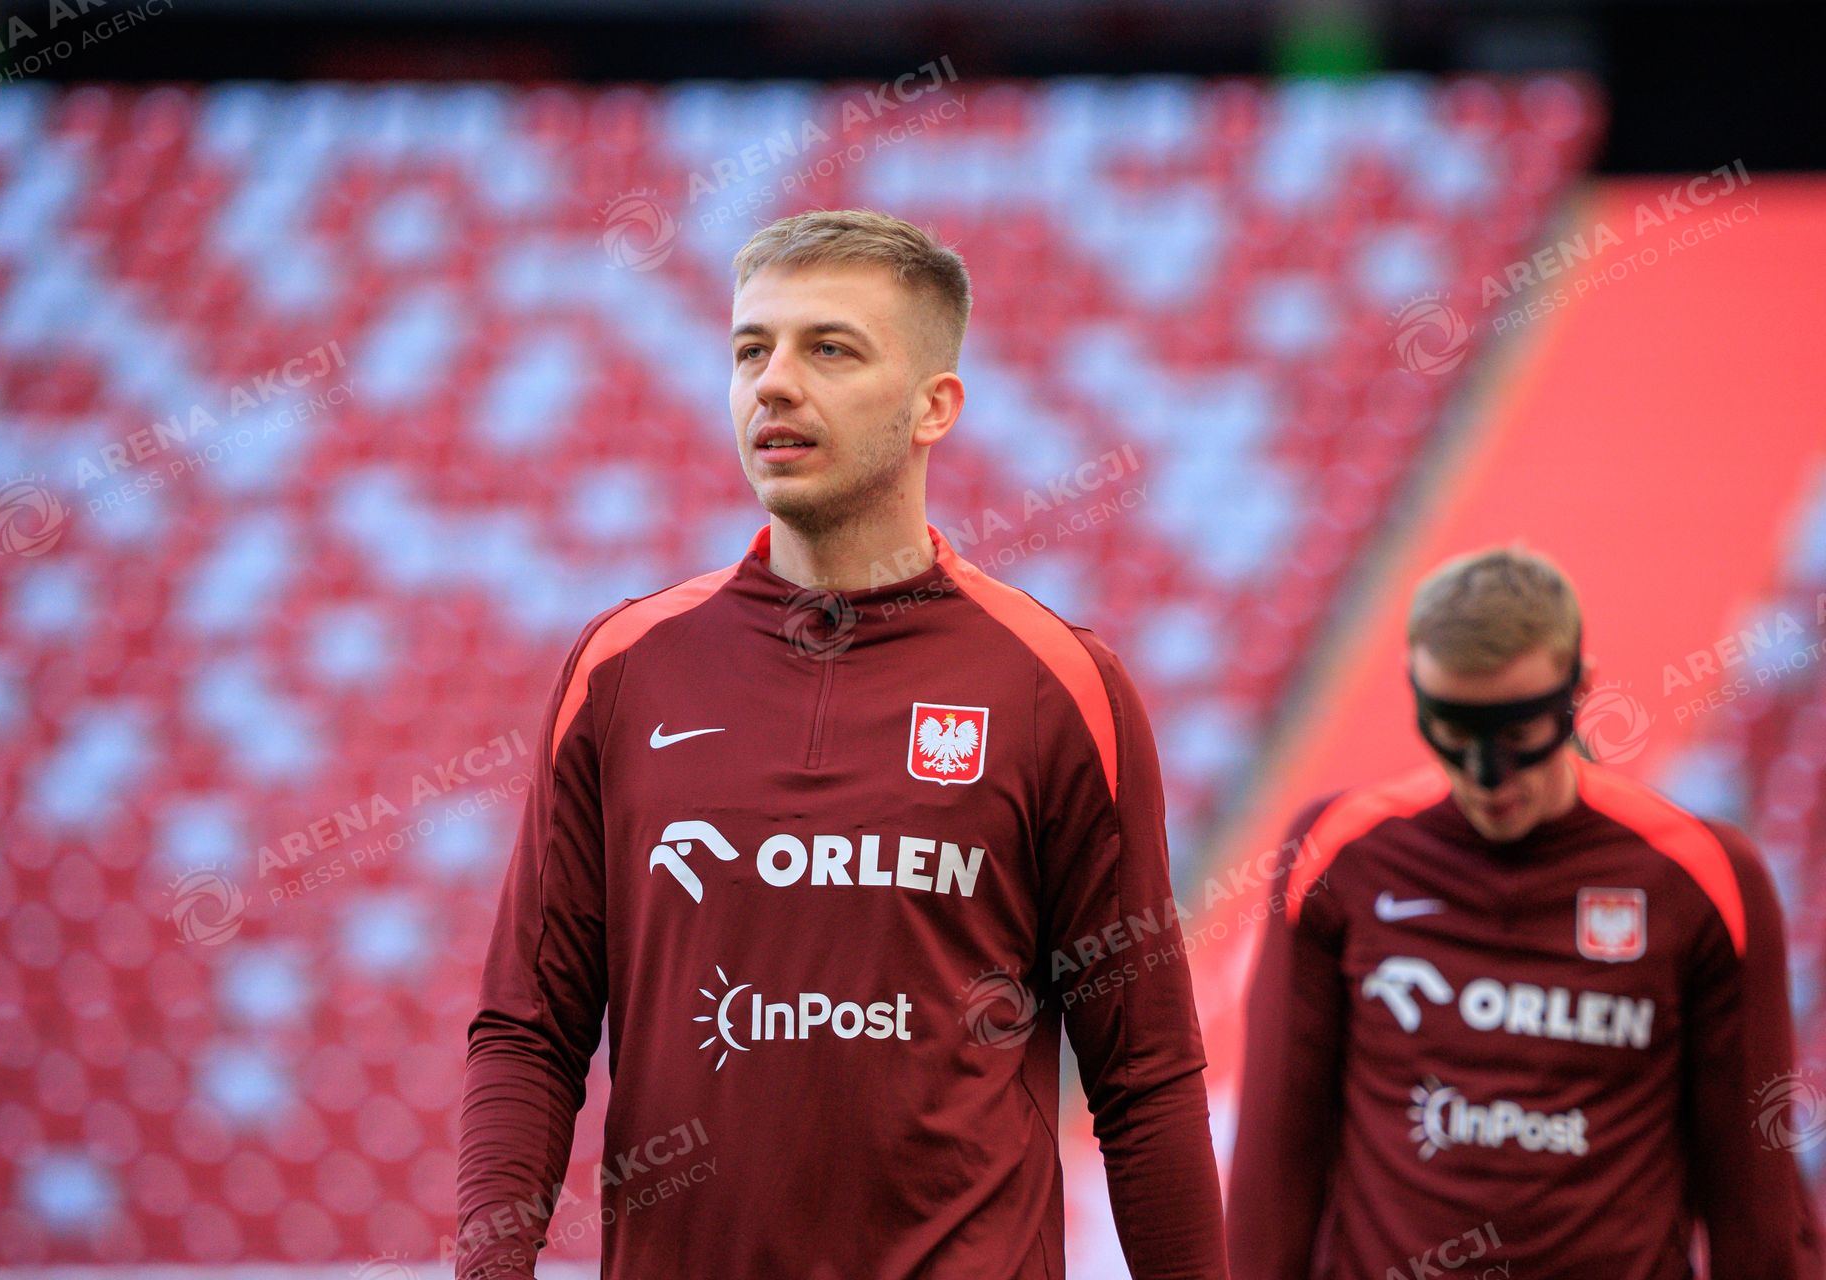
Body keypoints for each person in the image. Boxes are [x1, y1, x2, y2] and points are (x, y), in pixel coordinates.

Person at [455, 208, 1228, 1279]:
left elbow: (1143, 1076)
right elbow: (528, 1031)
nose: (772, 383)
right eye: (749, 350)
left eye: (829, 349)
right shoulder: (623, 669)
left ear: (933, 406)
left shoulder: (1058, 685)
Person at [1228, 546, 1823, 1280]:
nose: (1488, 779)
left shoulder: (1701, 880)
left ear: (1580, 693)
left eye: (1517, 736)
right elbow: (1272, 1164)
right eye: (1455, 733)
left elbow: (1757, 1199)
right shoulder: (1337, 856)